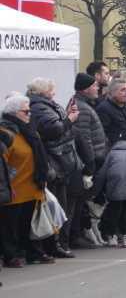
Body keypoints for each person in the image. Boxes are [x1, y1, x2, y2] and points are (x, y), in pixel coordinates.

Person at [28, 77, 84, 258]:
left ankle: (57, 244)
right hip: (54, 161)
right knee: (56, 207)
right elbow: (55, 129)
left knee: (60, 206)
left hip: (61, 160)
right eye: (52, 89)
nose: (54, 92)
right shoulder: (39, 107)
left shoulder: (46, 106)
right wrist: (70, 119)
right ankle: (54, 245)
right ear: (43, 91)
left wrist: (67, 118)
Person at [1, 94, 52, 266]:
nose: (29, 114)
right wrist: (6, 185)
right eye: (26, 111)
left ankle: (31, 252)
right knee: (10, 226)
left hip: (32, 186)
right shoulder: (5, 133)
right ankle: (11, 255)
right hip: (15, 188)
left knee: (28, 224)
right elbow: (3, 163)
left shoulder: (29, 131)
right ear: (14, 113)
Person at [69, 72, 106, 247]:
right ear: (85, 89)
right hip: (87, 162)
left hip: (91, 160)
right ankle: (76, 234)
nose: (97, 88)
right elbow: (84, 138)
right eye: (94, 86)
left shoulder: (85, 105)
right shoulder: (82, 108)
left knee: (83, 201)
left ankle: (78, 233)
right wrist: (89, 165)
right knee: (81, 201)